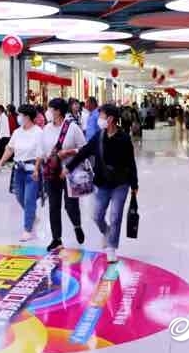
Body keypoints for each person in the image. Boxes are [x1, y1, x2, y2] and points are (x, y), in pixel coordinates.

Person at [65, 104, 138, 263]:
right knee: (97, 215)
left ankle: (111, 247)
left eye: (102, 116)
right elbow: (84, 152)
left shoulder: (124, 138)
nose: (99, 119)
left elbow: (131, 162)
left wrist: (134, 185)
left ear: (110, 119)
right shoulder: (99, 136)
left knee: (115, 216)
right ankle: (107, 232)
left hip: (121, 183)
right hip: (103, 183)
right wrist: (69, 167)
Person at [41, 98, 86, 252]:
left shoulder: (72, 128)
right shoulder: (46, 128)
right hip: (52, 173)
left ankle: (77, 225)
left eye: (50, 109)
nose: (48, 112)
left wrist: (69, 152)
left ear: (58, 111)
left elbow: (84, 149)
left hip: (69, 172)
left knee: (70, 205)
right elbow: (42, 150)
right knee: (54, 206)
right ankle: (56, 239)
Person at [0, 105, 45, 241]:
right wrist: (1, 162)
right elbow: (10, 149)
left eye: (20, 115)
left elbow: (40, 153)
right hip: (18, 170)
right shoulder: (17, 132)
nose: (18, 117)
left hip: (32, 170)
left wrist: (36, 168)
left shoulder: (38, 132)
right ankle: (32, 216)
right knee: (19, 197)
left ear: (27, 117)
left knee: (29, 199)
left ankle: (27, 229)